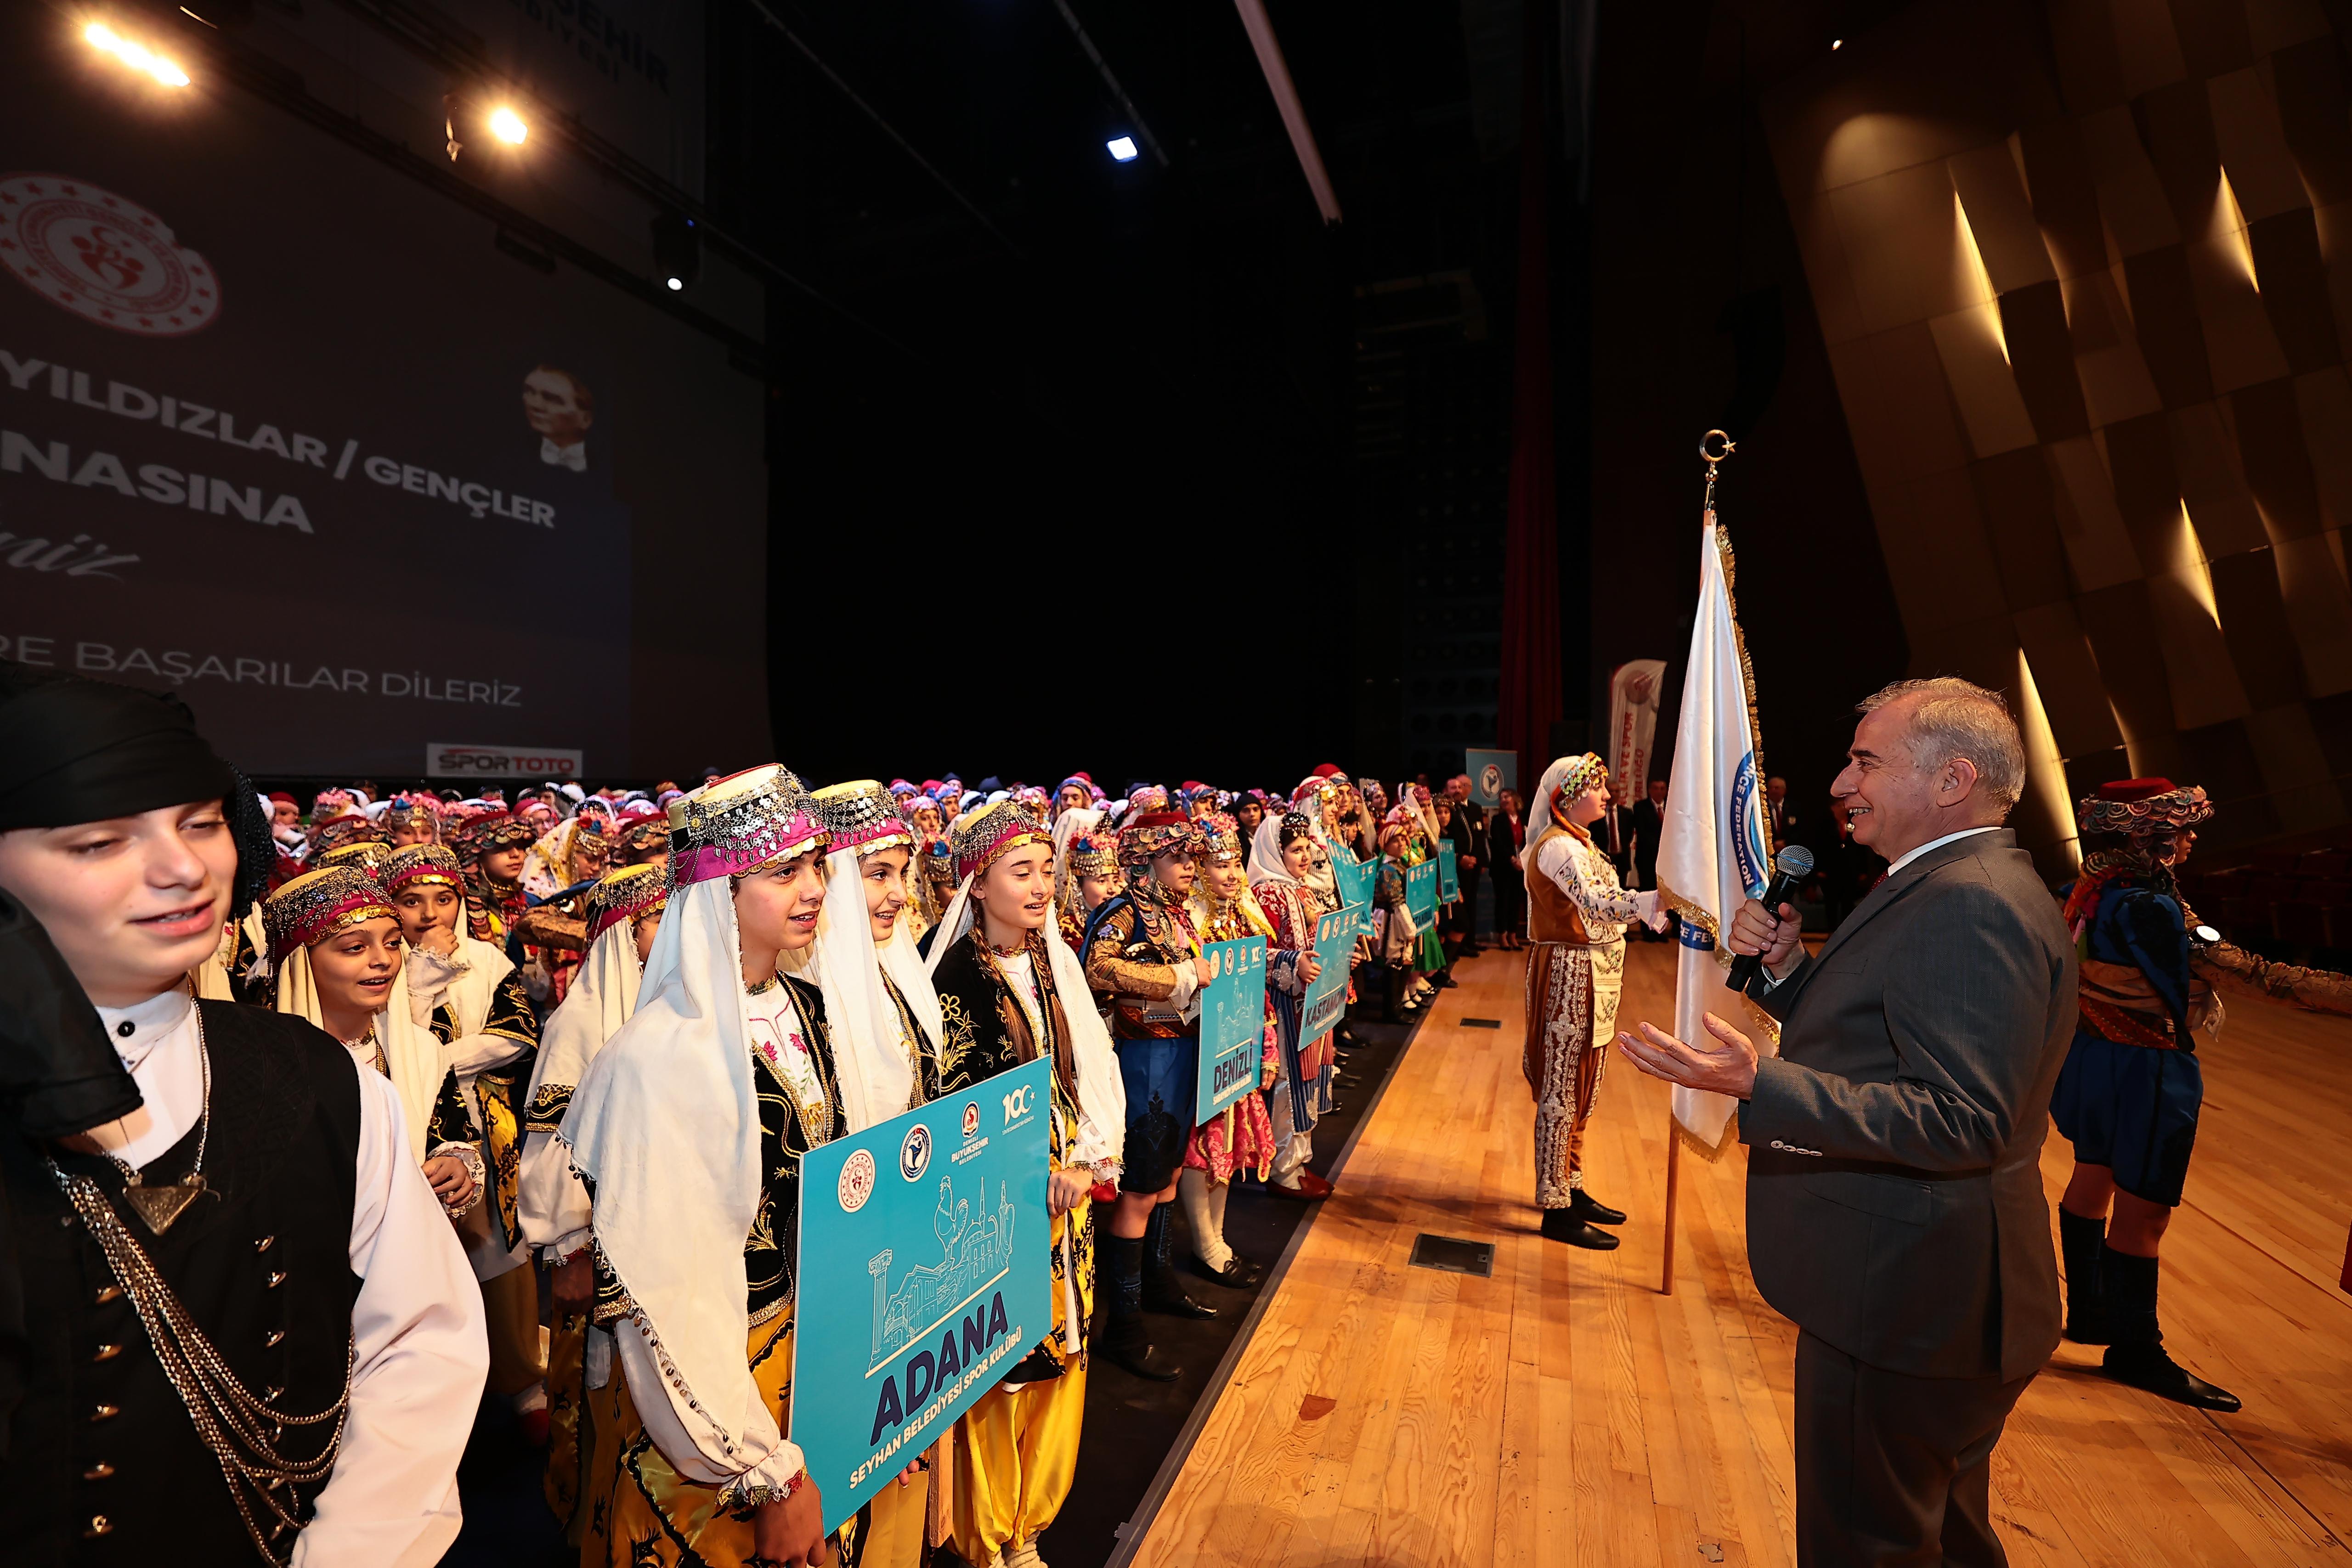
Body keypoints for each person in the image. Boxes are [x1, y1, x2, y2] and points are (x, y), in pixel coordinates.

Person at [0, 660, 485, 1564]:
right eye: (102, 840)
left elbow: (419, 1343)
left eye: (201, 822)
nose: (184, 868)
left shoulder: (318, 1078)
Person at [1616, 677, 2075, 1568]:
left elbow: (1963, 1118)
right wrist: (1790, 974)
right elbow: (1890, 1041)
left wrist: (1767, 1087)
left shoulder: (1968, 904)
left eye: (1867, 761)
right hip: (1934, 1296)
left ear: (1951, 781)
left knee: (1867, 1544)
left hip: (1907, 1300)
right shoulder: (1953, 882)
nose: (1841, 782)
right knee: (1939, 1535)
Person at [560, 765, 839, 1568]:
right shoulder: (655, 1059)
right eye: (783, 870)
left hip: (808, 1362)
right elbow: (662, 1291)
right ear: (718, 891)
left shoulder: (809, 1007)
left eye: (815, 863)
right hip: (707, 1397)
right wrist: (759, 1464)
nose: (814, 886)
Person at [2051, 778, 2352, 1413]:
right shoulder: (2150, 906)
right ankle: (2136, 1350)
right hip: (2147, 1067)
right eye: (2182, 829)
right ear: (2149, 835)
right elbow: (2255, 975)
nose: (2190, 840)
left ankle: (2089, 1311)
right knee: (2146, 1213)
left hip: (2093, 1052)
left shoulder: (2089, 885)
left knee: (2093, 1172)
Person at [923, 800, 1126, 1566]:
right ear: (977, 882)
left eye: (1048, 869)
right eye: (1022, 871)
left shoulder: (1056, 957)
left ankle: (1029, 1526)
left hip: (1063, 1201)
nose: (1042, 885)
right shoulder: (945, 977)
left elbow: (1096, 1067)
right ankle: (986, 1534)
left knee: (1062, 1349)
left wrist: (1090, 1158)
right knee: (995, 1366)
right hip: (990, 1208)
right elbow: (941, 1109)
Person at [519, 861, 668, 1547]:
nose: (671, 932)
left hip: (662, 1239)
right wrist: (569, 1247)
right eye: (655, 920)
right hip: (597, 1247)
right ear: (619, 935)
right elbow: (551, 1150)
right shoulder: (580, 1022)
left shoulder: (677, 1006)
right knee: (590, 1396)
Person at [381, 844, 547, 1434]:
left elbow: (516, 1035)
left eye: (443, 899)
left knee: (500, 1252)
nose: (429, 915)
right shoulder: (376, 961)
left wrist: (429, 1062)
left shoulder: (487, 960)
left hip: (481, 1128)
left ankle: (524, 1380)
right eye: (411, 901)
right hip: (402, 1131)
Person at [1082, 810, 1219, 1375]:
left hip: (1180, 1053)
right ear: (1144, 861)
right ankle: (1123, 1325)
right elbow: (1096, 967)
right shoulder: (1121, 912)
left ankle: (1159, 1283)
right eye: (1177, 857)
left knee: (1164, 1180)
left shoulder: (1178, 914)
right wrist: (1177, 978)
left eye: (1192, 857)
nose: (1190, 867)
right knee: (1139, 1187)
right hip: (1142, 1059)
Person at [1519, 755, 1666, 1249]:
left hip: (1591, 972)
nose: (1606, 796)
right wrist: (1654, 901)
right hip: (1567, 971)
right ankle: (1554, 1206)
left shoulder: (1580, 843)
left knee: (1583, 1086)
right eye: (1598, 788)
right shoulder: (1558, 847)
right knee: (1561, 1088)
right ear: (1568, 796)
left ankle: (1571, 1182)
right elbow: (1598, 904)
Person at [1179, 812, 1284, 1282]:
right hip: (1199, 1054)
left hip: (1235, 1052)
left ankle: (1217, 1239)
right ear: (1198, 870)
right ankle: (1205, 1244)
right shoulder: (1186, 927)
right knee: (1201, 1149)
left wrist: (1267, 1046)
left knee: (1229, 1143)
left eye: (1236, 863)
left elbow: (1257, 987)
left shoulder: (1239, 919)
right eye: (1218, 865)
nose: (1231, 874)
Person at [1248, 811, 1336, 1199]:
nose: (1304, 857)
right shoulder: (1267, 892)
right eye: (1295, 849)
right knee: (1289, 1082)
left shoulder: (1300, 887)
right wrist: (1291, 962)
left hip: (1310, 1002)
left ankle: (1300, 1159)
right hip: (1285, 1005)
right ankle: (1285, 1168)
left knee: (1308, 1081)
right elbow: (1255, 953)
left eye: (1306, 849)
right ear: (1274, 850)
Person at [1445, 774, 1486, 958]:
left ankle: (1470, 940)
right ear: (1447, 791)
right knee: (1459, 907)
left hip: (1474, 866)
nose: (1458, 791)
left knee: (1472, 903)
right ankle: (1458, 945)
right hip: (1455, 866)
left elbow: (1480, 837)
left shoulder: (1476, 809)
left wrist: (1482, 861)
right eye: (1454, 788)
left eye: (1460, 787)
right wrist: (1460, 858)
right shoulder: (1447, 811)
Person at [1487, 787, 1527, 949]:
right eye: (1501, 798)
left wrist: (1522, 860)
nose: (1503, 800)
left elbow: (1528, 841)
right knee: (1502, 902)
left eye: (1507, 797)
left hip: (1520, 867)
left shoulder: (1523, 819)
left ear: (1515, 799)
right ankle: (1502, 937)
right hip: (1503, 867)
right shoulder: (1498, 820)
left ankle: (1513, 935)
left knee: (1515, 902)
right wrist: (1512, 859)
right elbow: (1497, 843)